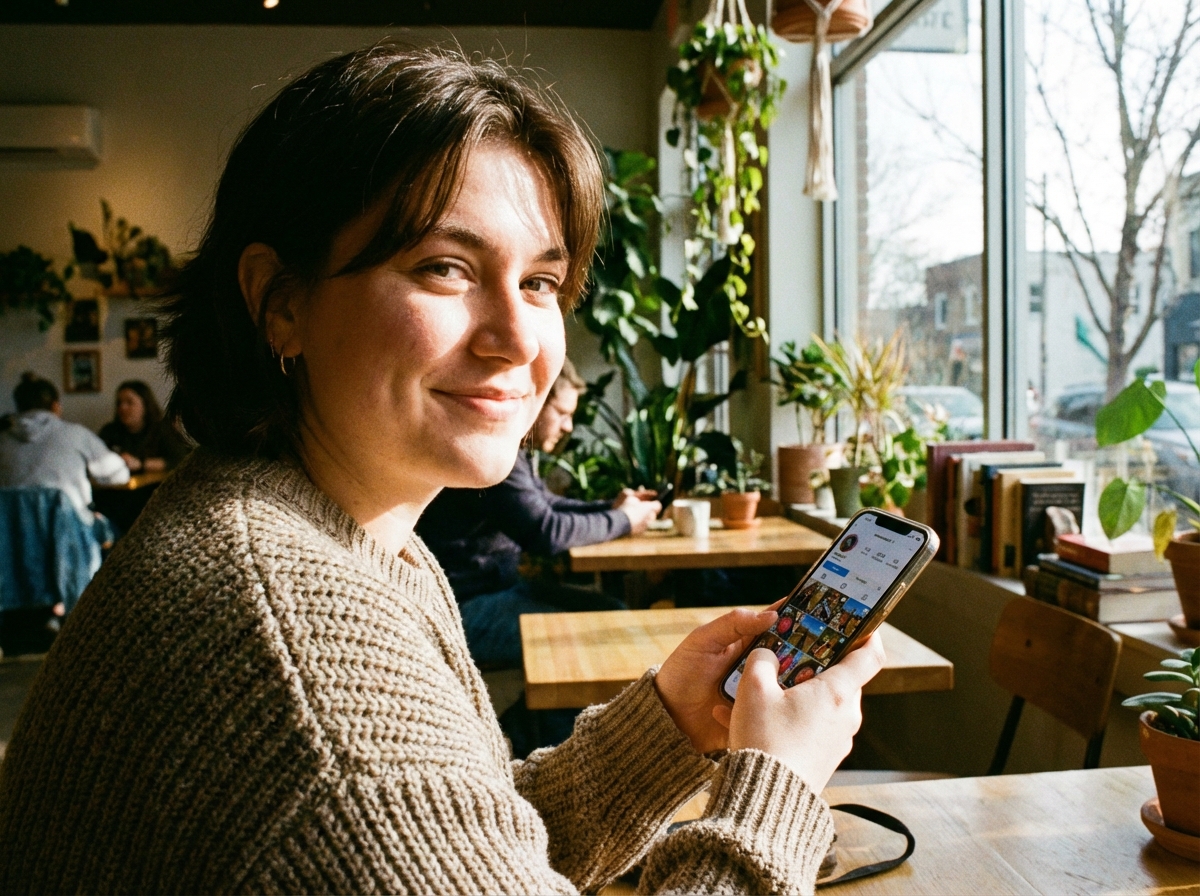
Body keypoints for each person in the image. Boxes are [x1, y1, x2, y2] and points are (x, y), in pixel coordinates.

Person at [0, 45, 884, 894]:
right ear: (280, 301)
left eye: (540, 282)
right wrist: (776, 792)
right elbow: (371, 798)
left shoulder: (330, 528)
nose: (514, 339)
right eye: (444, 268)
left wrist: (667, 728)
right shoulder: (305, 661)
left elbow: (454, 842)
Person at [417, 356, 660, 670]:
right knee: (602, 636)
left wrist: (613, 508)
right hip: (463, 609)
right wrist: (624, 519)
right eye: (562, 413)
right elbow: (546, 531)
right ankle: (536, 720)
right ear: (535, 400)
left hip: (499, 589)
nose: (568, 426)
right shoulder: (495, 455)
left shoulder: (515, 450)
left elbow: (546, 504)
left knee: (612, 611)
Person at [0, 372, 129, 522]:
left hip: (13, 537)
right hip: (71, 532)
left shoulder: (3, 439)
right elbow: (120, 476)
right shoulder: (76, 434)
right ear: (56, 406)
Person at [98, 380, 189, 475]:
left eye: (129, 402)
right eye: (119, 403)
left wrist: (140, 464)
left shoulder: (162, 429)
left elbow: (179, 460)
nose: (122, 407)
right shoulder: (109, 431)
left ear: (145, 404)